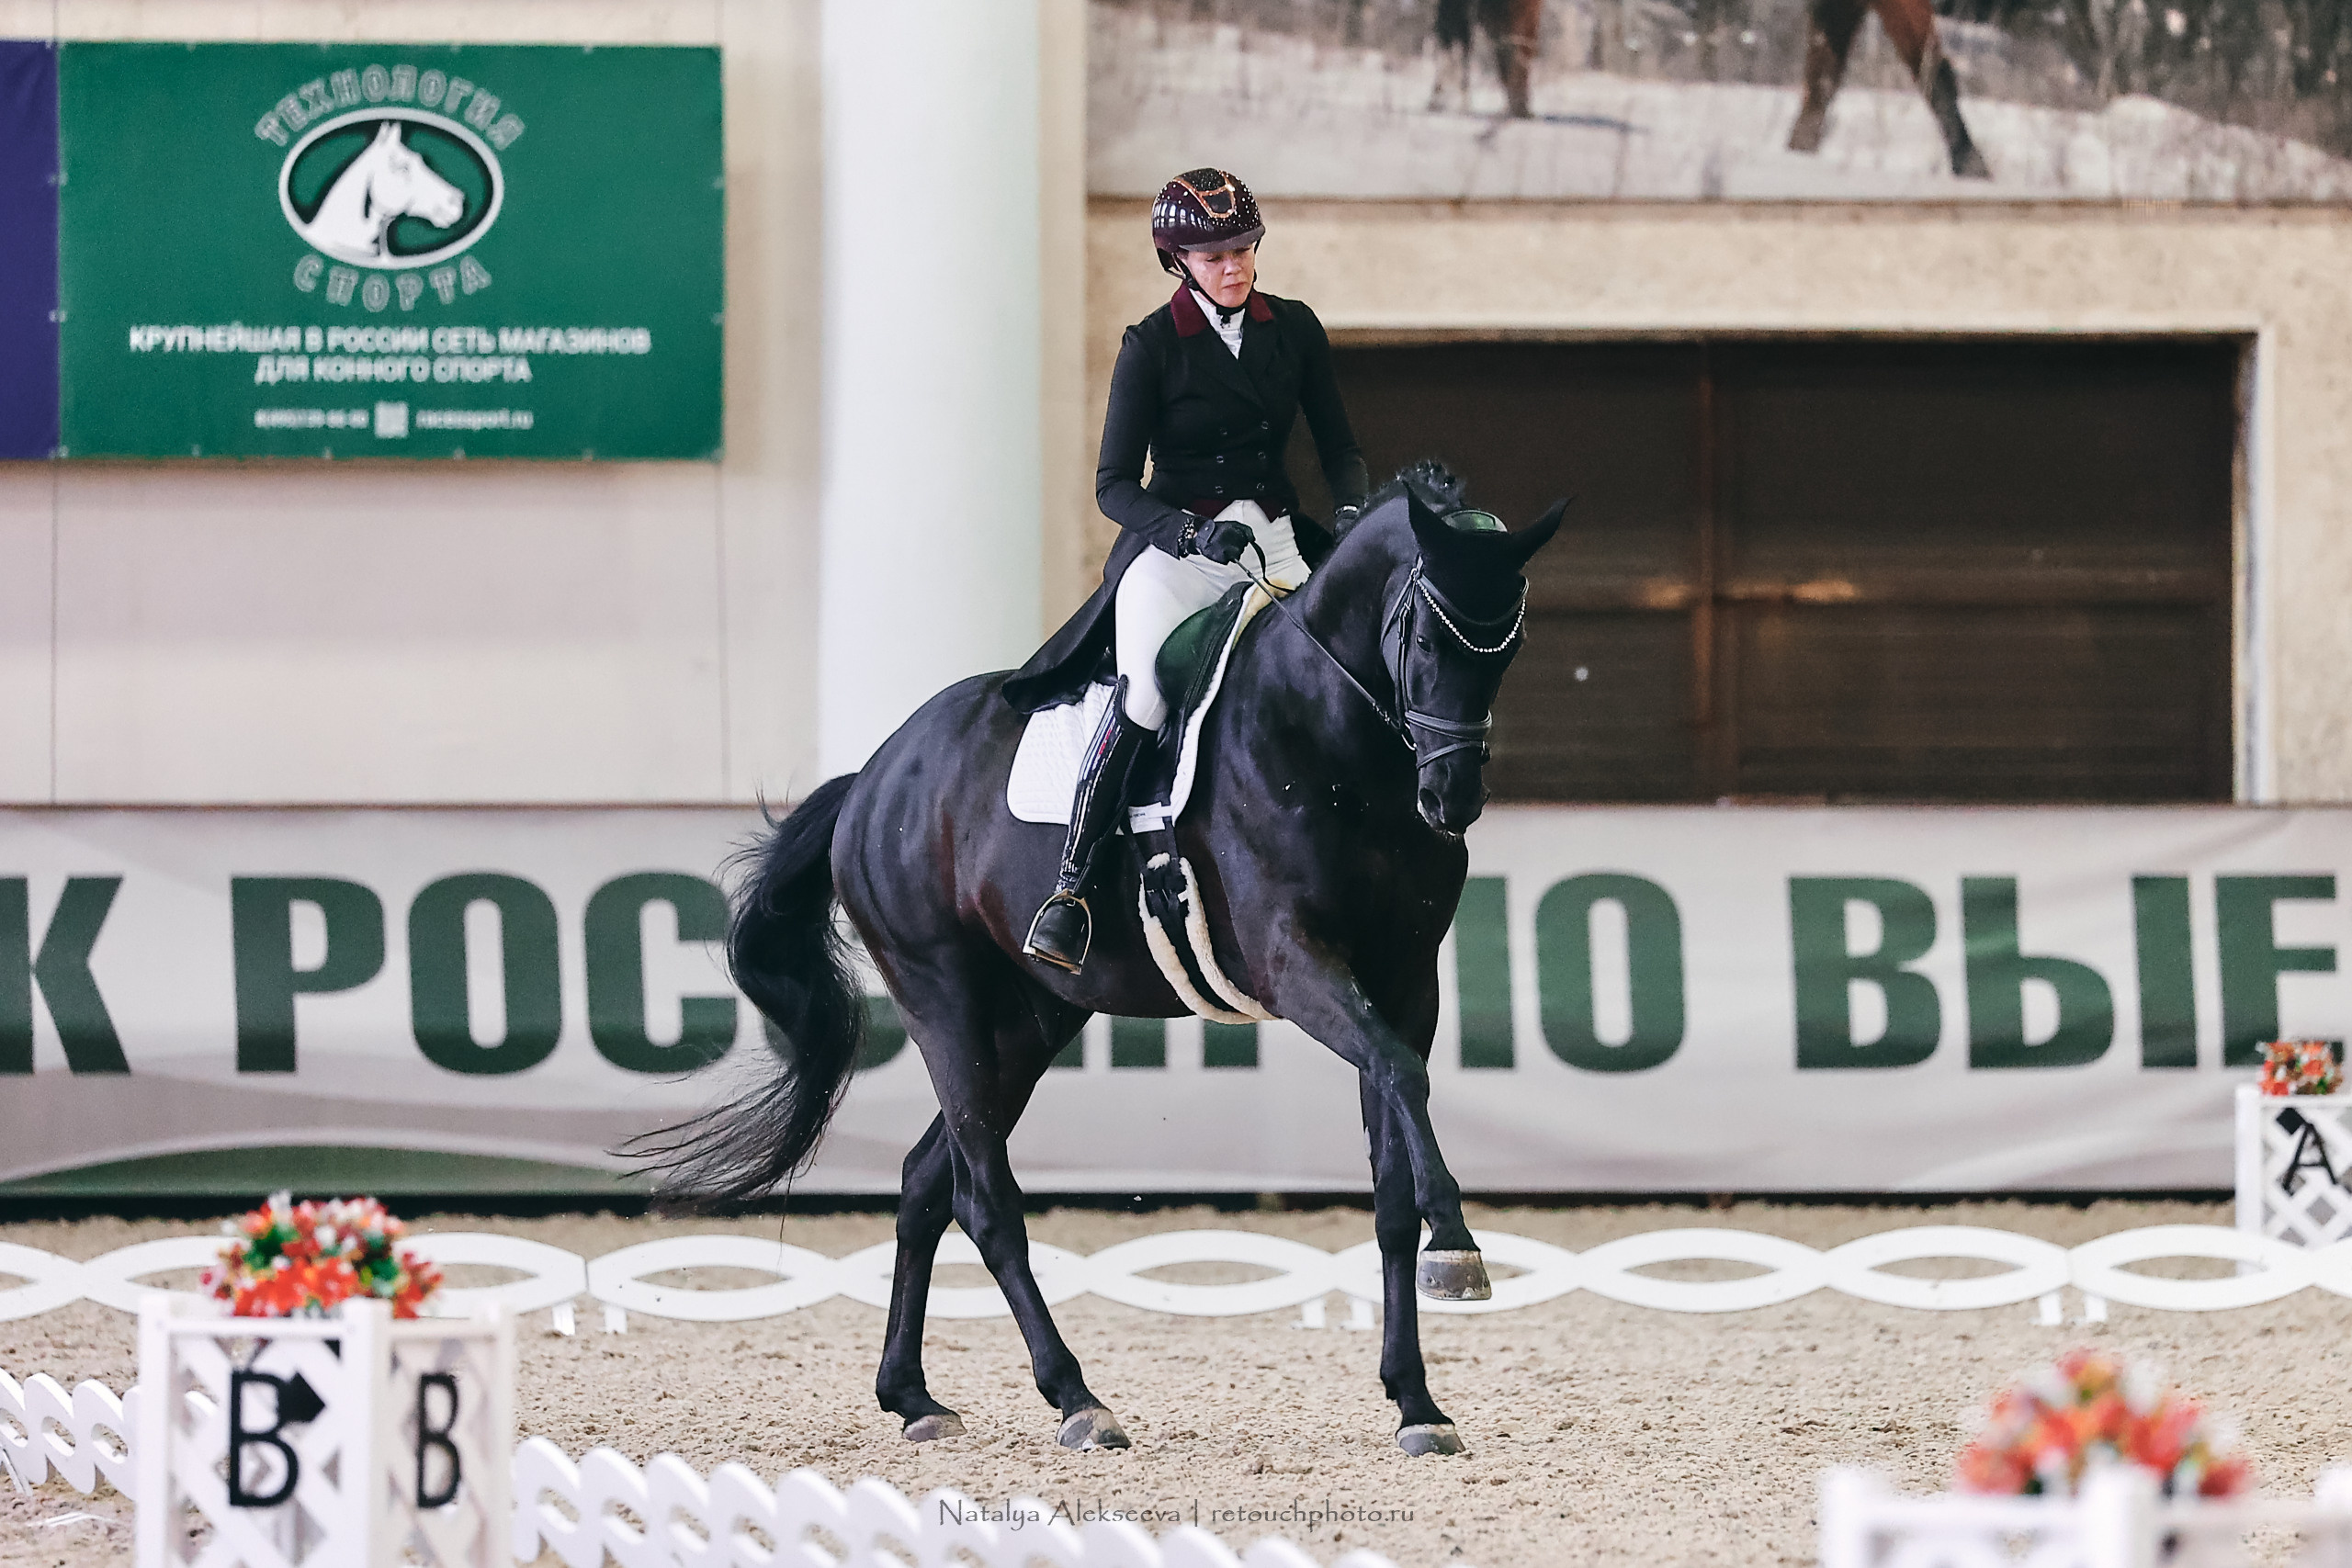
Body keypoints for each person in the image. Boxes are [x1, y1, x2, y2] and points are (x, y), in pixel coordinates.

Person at [1003, 166, 1372, 974]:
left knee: (1350, 666)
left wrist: (1349, 510)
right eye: (1214, 257)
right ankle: (1071, 888)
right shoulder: (1151, 345)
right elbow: (1111, 487)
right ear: (1178, 261)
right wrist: (1186, 534)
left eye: (1244, 249)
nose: (1235, 266)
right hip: (1181, 552)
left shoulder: (1296, 329)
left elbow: (1338, 445)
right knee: (1143, 689)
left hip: (1272, 538)